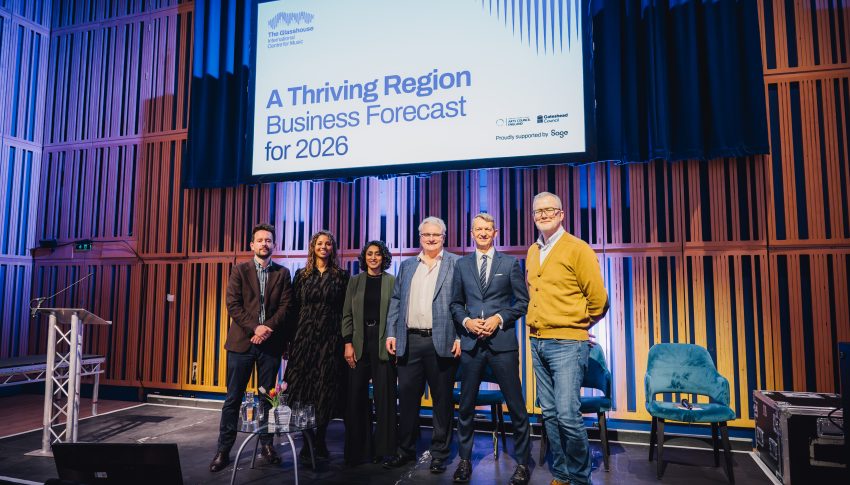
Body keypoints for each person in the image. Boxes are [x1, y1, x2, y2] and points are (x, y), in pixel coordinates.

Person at [526, 192, 609, 485]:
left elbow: (599, 300)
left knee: (568, 415)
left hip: (567, 344)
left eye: (550, 210)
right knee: (549, 414)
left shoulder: (578, 248)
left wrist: (578, 325)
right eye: (538, 211)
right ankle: (561, 473)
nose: (544, 214)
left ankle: (579, 477)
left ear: (562, 214)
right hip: (537, 342)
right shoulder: (533, 251)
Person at [449, 212, 531, 485]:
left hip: (502, 344)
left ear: (496, 232)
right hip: (472, 346)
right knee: (466, 407)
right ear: (471, 233)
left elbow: (521, 302)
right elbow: (455, 304)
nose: (483, 233)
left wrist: (498, 319)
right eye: (478, 229)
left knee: (516, 407)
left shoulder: (510, 263)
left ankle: (522, 464)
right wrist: (467, 321)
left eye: (488, 229)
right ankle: (463, 461)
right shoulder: (461, 265)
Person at [210, 223, 294, 473]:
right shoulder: (239, 270)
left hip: (270, 345)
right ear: (252, 245)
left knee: (269, 398)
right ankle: (223, 450)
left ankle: (267, 446)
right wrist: (255, 328)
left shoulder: (283, 273)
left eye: (268, 240)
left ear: (274, 245)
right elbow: (233, 305)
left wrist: (266, 328)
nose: (264, 244)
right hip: (241, 344)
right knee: (233, 399)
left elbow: (286, 307)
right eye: (260, 240)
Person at [384, 216, 461, 473]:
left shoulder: (456, 264)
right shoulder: (406, 266)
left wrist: (461, 336)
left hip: (443, 342)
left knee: (442, 401)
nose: (430, 239)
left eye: (435, 235)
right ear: (420, 238)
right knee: (406, 400)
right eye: (426, 235)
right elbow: (396, 301)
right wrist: (391, 333)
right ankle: (404, 450)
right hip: (410, 341)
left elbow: (463, 304)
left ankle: (440, 453)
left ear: (443, 237)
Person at [284, 230, 350, 459]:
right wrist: (288, 342)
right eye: (319, 243)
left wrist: (346, 341)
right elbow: (293, 311)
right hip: (304, 339)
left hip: (330, 340)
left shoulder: (342, 276)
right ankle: (307, 439)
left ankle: (320, 439)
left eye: (328, 243)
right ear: (313, 247)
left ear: (333, 248)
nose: (324, 246)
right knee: (303, 389)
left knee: (325, 389)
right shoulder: (301, 275)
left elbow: (345, 311)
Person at [341, 240, 398, 466]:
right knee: (355, 397)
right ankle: (358, 449)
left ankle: (384, 450)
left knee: (385, 398)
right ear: (364, 258)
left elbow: (397, 313)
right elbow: (346, 314)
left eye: (377, 254)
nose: (373, 257)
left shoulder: (392, 281)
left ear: (384, 257)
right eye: (369, 254)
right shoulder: (354, 281)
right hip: (359, 342)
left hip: (383, 342)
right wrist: (347, 343)